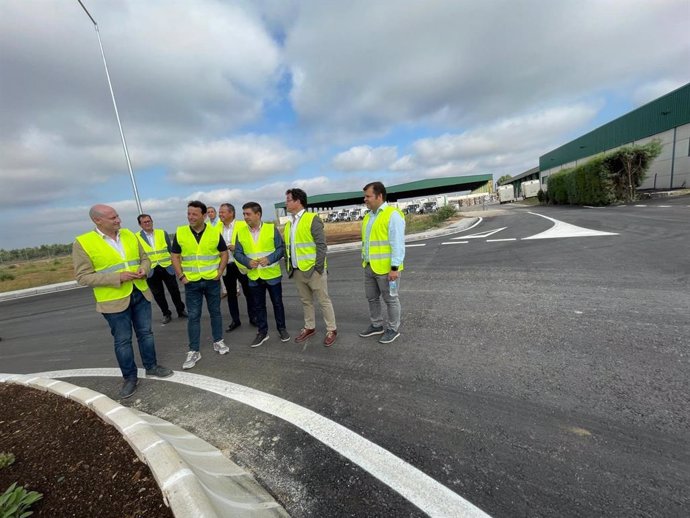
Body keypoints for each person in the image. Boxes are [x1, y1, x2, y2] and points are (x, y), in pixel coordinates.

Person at [73, 204, 173, 399]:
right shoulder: (83, 243)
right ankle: (130, 378)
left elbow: (145, 258)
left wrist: (145, 268)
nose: (118, 220)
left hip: (140, 292)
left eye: (117, 216)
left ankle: (151, 366)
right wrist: (117, 277)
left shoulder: (129, 234)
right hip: (114, 300)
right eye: (113, 218)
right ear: (98, 220)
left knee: (146, 333)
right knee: (123, 341)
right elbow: (83, 277)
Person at [171, 200, 229, 369]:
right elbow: (175, 256)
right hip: (191, 283)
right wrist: (181, 276)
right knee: (194, 316)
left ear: (204, 215)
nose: (190, 217)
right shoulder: (181, 232)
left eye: (194, 214)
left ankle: (218, 341)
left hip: (212, 281)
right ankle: (194, 350)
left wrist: (220, 272)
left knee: (215, 312)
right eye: (189, 213)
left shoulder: (213, 232)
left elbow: (223, 253)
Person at [284, 188, 337, 347]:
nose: (286, 202)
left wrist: (318, 268)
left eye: (288, 200)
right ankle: (310, 327)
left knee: (323, 301)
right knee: (306, 301)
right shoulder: (289, 223)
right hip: (297, 270)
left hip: (313, 271)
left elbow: (322, 246)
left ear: (298, 201)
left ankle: (332, 329)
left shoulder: (312, 219)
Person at [234, 202, 290, 347]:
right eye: (244, 214)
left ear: (258, 214)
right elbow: (238, 253)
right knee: (258, 306)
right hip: (254, 276)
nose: (245, 217)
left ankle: (282, 328)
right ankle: (262, 332)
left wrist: (270, 259)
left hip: (272, 274)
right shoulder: (241, 232)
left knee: (277, 304)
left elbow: (281, 248)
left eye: (248, 214)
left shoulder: (271, 229)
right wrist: (247, 261)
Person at [359, 181, 405, 344]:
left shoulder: (392, 215)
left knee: (391, 299)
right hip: (370, 267)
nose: (365, 199)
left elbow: (397, 244)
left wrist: (394, 268)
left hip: (387, 269)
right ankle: (376, 325)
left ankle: (393, 329)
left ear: (379, 196)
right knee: (372, 298)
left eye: (368, 196)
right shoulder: (367, 217)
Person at [135, 214, 187, 324]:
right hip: (151, 269)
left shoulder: (162, 233)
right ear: (140, 224)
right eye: (145, 222)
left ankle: (181, 310)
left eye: (149, 221)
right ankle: (166, 313)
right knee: (158, 294)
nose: (148, 223)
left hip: (166, 267)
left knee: (174, 291)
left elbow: (170, 250)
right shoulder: (136, 237)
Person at [219, 203, 258, 332]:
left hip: (242, 264)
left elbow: (251, 242)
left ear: (231, 213)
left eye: (223, 212)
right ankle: (235, 320)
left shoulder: (243, 225)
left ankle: (253, 317)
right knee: (231, 294)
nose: (220, 214)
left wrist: (237, 248)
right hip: (226, 265)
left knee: (249, 292)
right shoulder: (216, 228)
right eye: (220, 212)